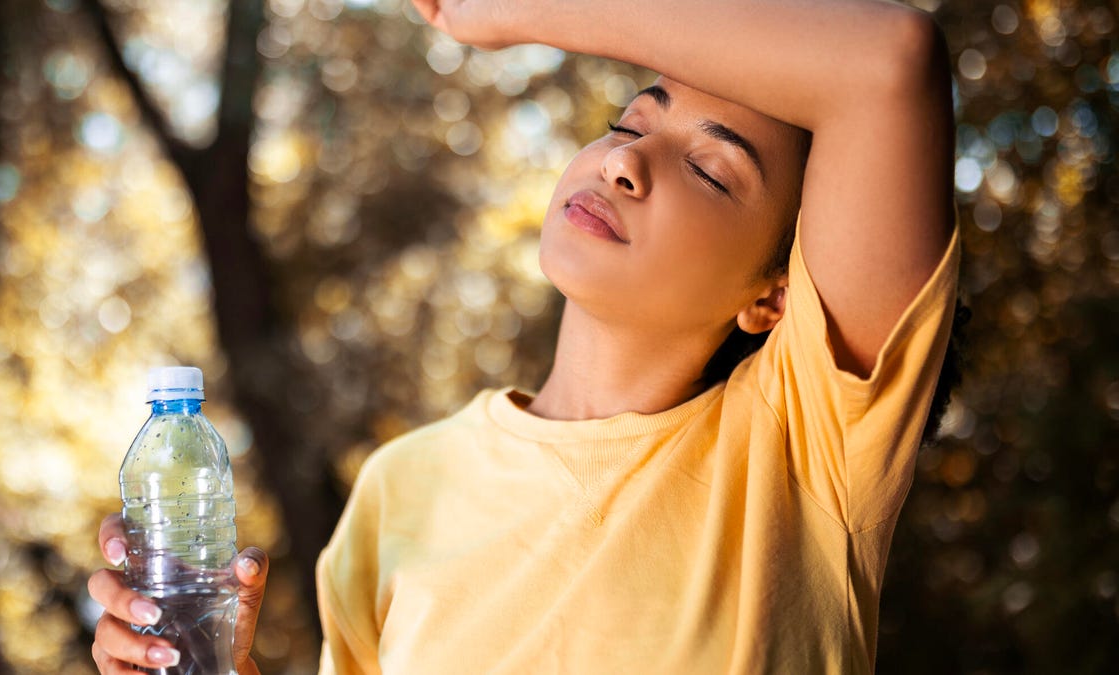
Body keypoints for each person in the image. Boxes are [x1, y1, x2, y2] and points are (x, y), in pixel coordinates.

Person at [89, 0, 961, 672]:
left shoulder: (801, 448)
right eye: (630, 121)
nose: (624, 161)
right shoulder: (399, 489)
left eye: (708, 167)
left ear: (774, 295)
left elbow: (890, 62)